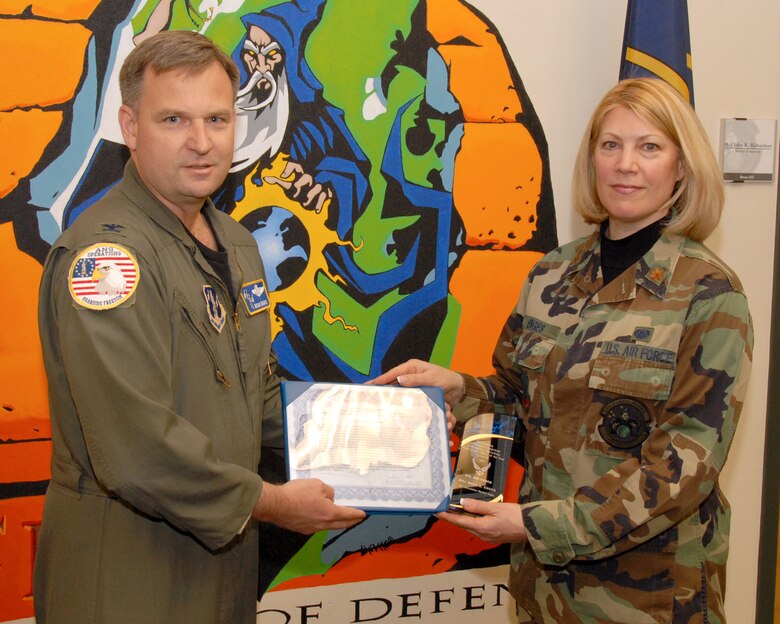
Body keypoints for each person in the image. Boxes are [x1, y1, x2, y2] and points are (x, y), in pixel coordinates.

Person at [370, 77, 753, 623]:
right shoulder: (553, 271)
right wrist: (460, 389)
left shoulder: (710, 294)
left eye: (650, 147)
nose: (626, 164)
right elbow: (518, 403)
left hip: (648, 598)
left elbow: (683, 466)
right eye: (610, 144)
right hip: (544, 590)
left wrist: (536, 525)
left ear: (682, 167)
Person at [33, 30, 365, 624]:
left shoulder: (236, 243)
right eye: (174, 120)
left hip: (222, 562)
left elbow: (255, 396)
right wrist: (270, 503)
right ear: (131, 128)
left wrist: (372, 433)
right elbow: (136, 449)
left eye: (217, 118)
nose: (201, 142)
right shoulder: (106, 261)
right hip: (129, 569)